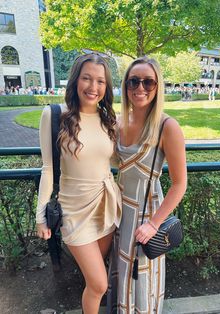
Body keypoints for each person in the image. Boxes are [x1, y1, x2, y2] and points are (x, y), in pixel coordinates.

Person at [36, 53, 122, 314]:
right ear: (75, 81)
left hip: (106, 205)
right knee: (99, 284)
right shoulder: (54, 115)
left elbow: (118, 161)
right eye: (86, 78)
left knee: (94, 281)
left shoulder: (110, 121)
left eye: (100, 81)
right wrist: (41, 216)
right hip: (74, 211)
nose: (93, 87)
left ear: (106, 87)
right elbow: (48, 167)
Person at [107, 56, 187, 313]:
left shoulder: (167, 126)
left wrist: (154, 224)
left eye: (148, 82)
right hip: (120, 213)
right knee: (121, 275)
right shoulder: (118, 123)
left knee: (142, 279)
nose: (140, 88)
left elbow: (179, 184)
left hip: (146, 215)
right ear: (126, 85)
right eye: (133, 81)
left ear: (157, 87)